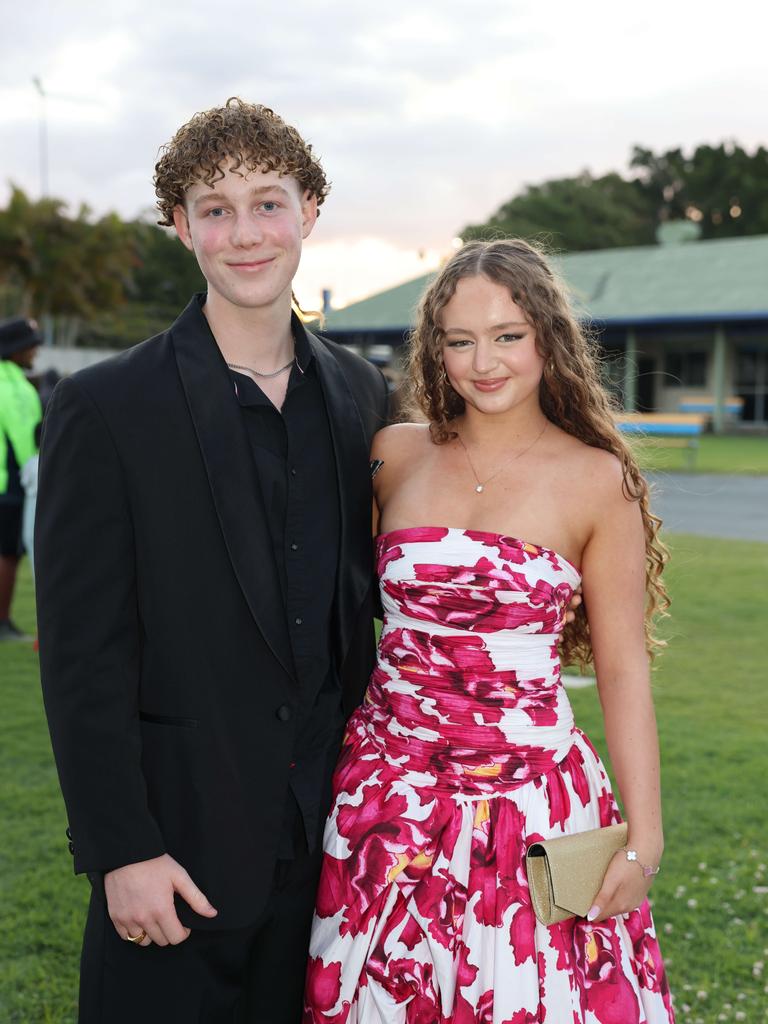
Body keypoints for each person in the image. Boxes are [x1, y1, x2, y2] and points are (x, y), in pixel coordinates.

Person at [35, 98, 389, 1023]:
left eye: (267, 203)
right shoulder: (106, 407)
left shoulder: (362, 395)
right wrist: (122, 849)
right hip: (173, 861)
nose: (245, 234)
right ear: (179, 224)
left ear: (310, 210)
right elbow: (83, 658)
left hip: (333, 860)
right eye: (215, 207)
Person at [304, 239, 675, 1022]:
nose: (484, 362)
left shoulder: (597, 479)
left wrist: (644, 841)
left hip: (531, 810)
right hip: (387, 802)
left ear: (548, 337)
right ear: (434, 350)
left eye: (508, 335)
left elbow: (622, 671)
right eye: (460, 340)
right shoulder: (393, 456)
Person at [0, 316, 43, 641]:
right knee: (8, 554)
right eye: (30, 346)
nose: (34, 353)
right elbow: (25, 439)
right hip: (9, 483)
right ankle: (1, 622)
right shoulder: (13, 385)